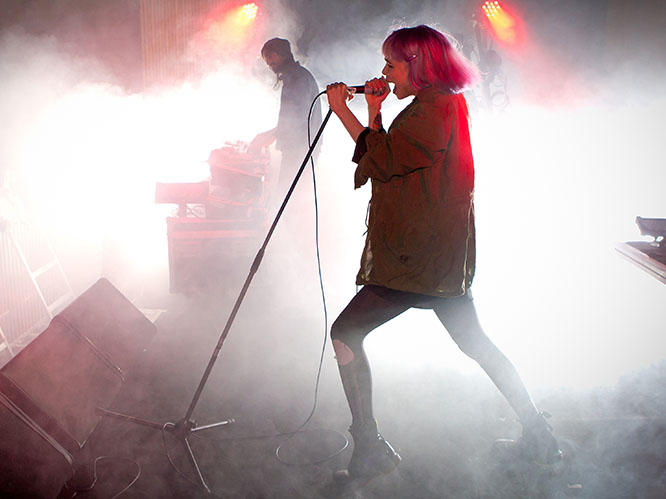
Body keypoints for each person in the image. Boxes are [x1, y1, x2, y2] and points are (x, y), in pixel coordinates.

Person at [325, 25, 562, 483]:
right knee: (476, 344)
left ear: (418, 66)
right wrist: (374, 110)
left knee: (345, 333)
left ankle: (370, 448)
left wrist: (342, 113)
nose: (384, 72)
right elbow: (389, 157)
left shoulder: (435, 108)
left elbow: (386, 162)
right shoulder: (433, 104)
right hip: (430, 255)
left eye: (391, 65)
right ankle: (539, 436)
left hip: (419, 258)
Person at [250, 38, 322, 196]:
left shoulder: (297, 78)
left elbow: (298, 117)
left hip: (301, 149)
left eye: (270, 57)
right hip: (301, 148)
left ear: (280, 54)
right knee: (291, 195)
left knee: (288, 197)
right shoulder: (296, 76)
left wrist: (269, 136)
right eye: (266, 59)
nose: (269, 63)